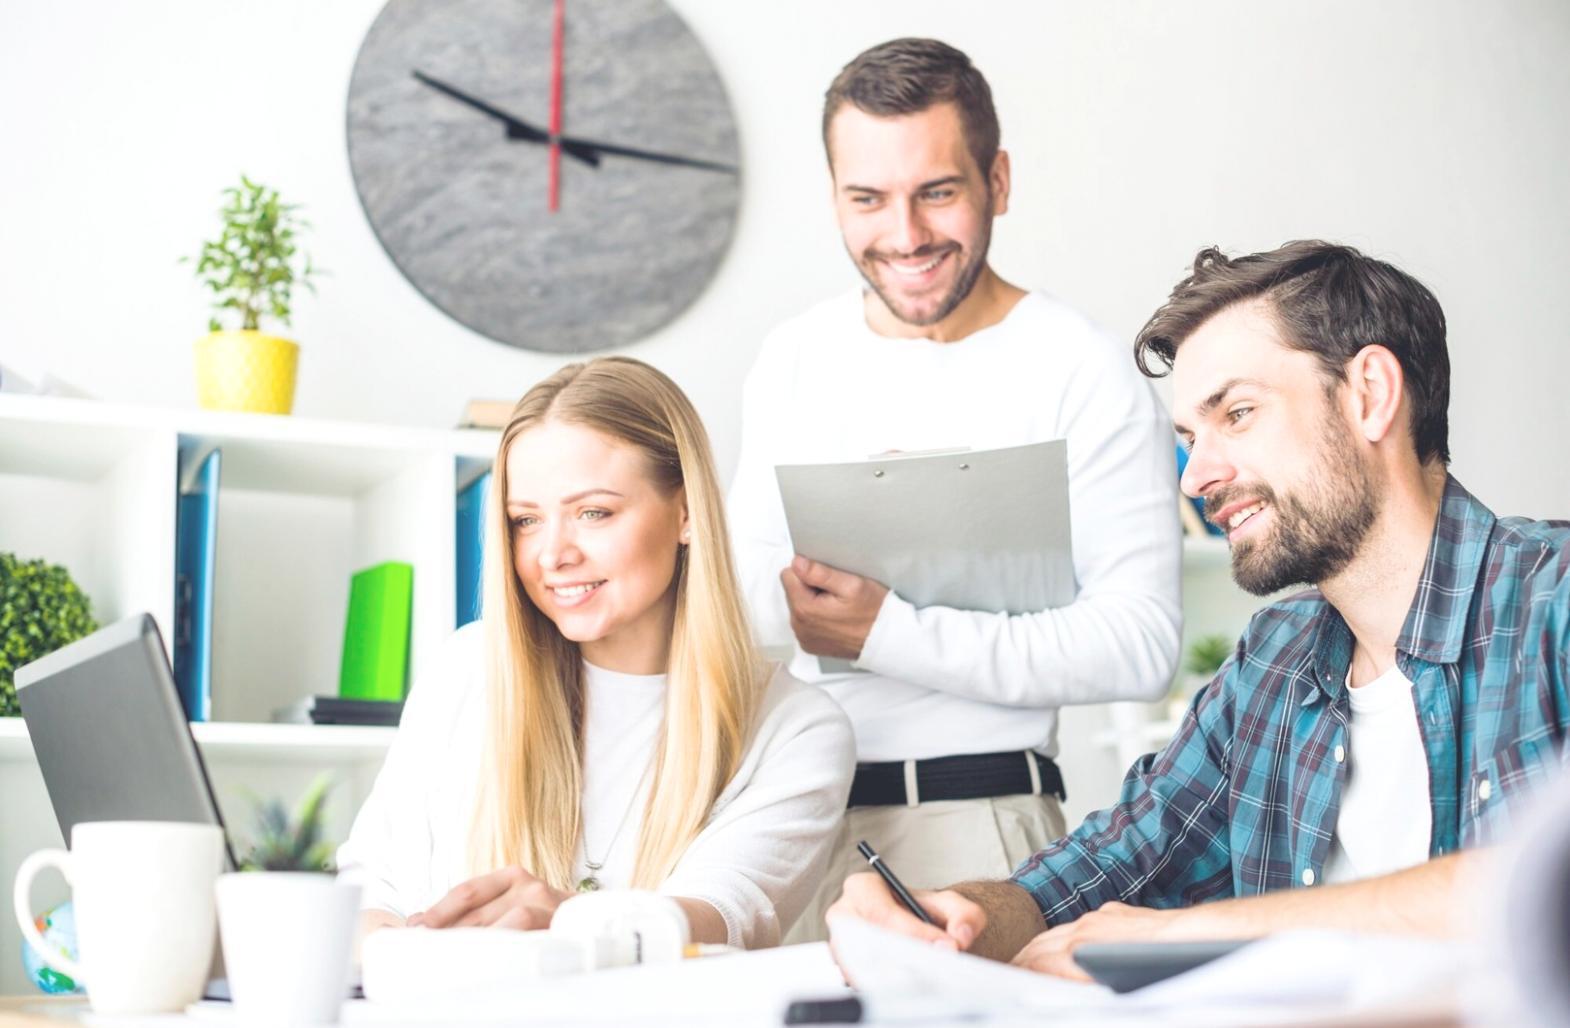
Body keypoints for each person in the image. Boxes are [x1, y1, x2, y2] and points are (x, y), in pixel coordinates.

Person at [827, 240, 1570, 977]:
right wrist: (949, 920)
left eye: (1238, 414)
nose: (1198, 477)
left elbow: (1540, 891)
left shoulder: (1553, 604)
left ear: (1370, 394)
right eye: (1189, 437)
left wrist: (1202, 931)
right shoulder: (1273, 663)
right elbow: (1109, 868)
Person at [726, 38, 1183, 940]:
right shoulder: (794, 357)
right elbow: (746, 613)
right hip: (790, 826)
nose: (904, 236)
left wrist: (884, 629)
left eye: (937, 191)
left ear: (997, 182)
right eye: (868, 199)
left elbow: (1140, 644)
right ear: (835, 200)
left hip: (985, 826)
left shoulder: (1082, 366)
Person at [337, 357, 855, 949]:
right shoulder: (466, 670)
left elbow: (727, 916)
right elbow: (368, 888)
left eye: (593, 513)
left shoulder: (795, 728)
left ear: (686, 513)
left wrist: (571, 920)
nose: (552, 554)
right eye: (526, 520)